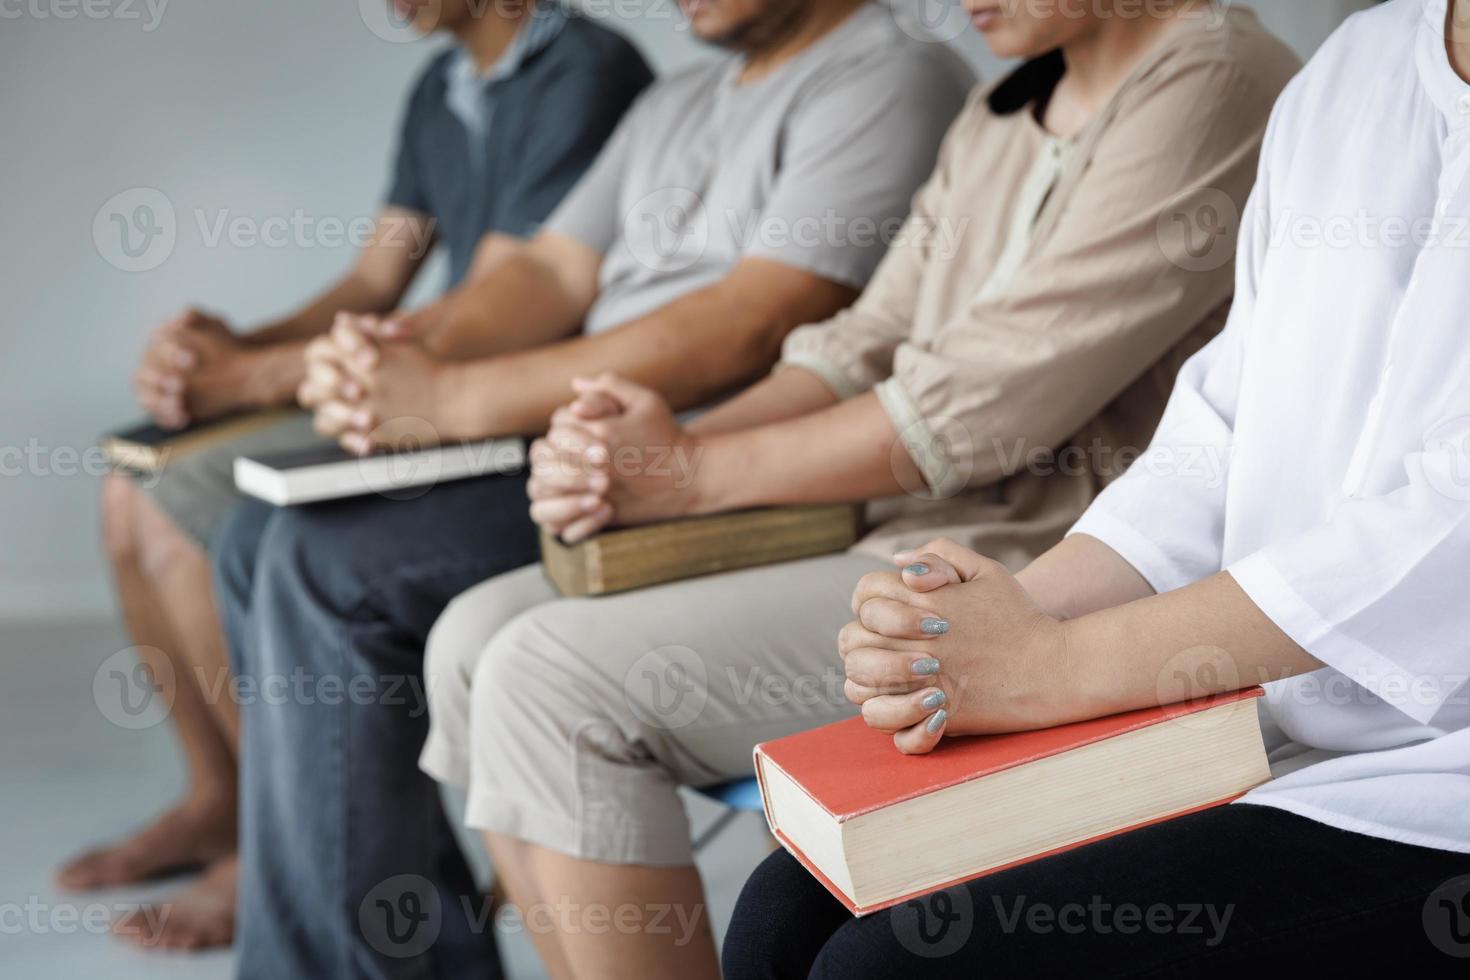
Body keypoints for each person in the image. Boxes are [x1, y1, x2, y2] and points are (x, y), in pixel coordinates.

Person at [419, 1, 1299, 977]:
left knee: (547, 679)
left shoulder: (1217, 79)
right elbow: (860, 341)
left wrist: (689, 474)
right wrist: (659, 449)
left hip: (1037, 569)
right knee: (467, 639)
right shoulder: (1004, 106)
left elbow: (979, 401)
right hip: (897, 529)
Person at [212, 0, 972, 975]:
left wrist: (447, 394)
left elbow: (750, 320)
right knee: (251, 540)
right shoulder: (677, 100)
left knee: (331, 564)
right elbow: (545, 271)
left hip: (706, 462)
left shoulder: (889, 72)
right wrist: (403, 354)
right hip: (571, 438)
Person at [722, 0, 1470, 975]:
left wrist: (1053, 665)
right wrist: (991, 624)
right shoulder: (1353, 67)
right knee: (783, 912)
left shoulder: (1217, 76)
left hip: (1436, 783)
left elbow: (1445, 531)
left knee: (891, 966)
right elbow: (1222, 425)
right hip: (1267, 717)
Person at [66, 0, 653, 953]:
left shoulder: (586, 70)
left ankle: (278, 846)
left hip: (514, 412)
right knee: (129, 486)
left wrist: (244, 379)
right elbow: (375, 285)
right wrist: (225, 346)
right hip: (426, 380)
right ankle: (226, 801)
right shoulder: (440, 85)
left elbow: (503, 304)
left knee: (209, 514)